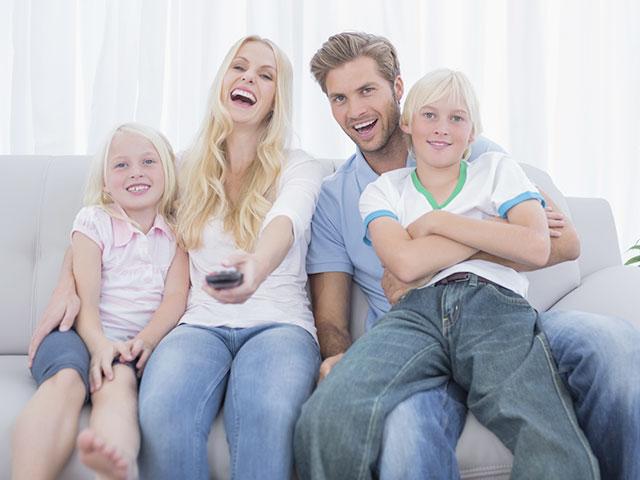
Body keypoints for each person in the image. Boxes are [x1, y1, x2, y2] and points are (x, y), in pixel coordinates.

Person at [295, 31, 640, 479]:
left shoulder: (478, 155)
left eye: (367, 91)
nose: (356, 110)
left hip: (503, 313)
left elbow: (562, 243)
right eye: (339, 98)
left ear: (398, 90)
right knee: (399, 435)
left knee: (610, 344)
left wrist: (440, 241)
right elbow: (333, 318)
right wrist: (494, 234)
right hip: (411, 330)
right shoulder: (341, 195)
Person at [135, 36, 324, 479]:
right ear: (223, 80)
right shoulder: (180, 167)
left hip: (280, 325)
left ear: (277, 98)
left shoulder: (300, 165)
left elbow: (287, 218)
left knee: (269, 413)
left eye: (265, 75)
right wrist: (69, 283)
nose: (248, 79)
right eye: (239, 68)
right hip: (199, 324)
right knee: (161, 410)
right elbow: (115, 218)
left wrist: (256, 265)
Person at [12, 122, 189, 480]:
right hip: (76, 333)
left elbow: (175, 298)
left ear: (168, 171)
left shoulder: (178, 232)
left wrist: (144, 342)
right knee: (66, 382)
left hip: (129, 344)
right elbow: (85, 301)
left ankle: (113, 462)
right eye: (121, 165)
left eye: (148, 162)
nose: (135, 172)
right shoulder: (93, 221)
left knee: (118, 388)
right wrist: (99, 344)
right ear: (105, 182)